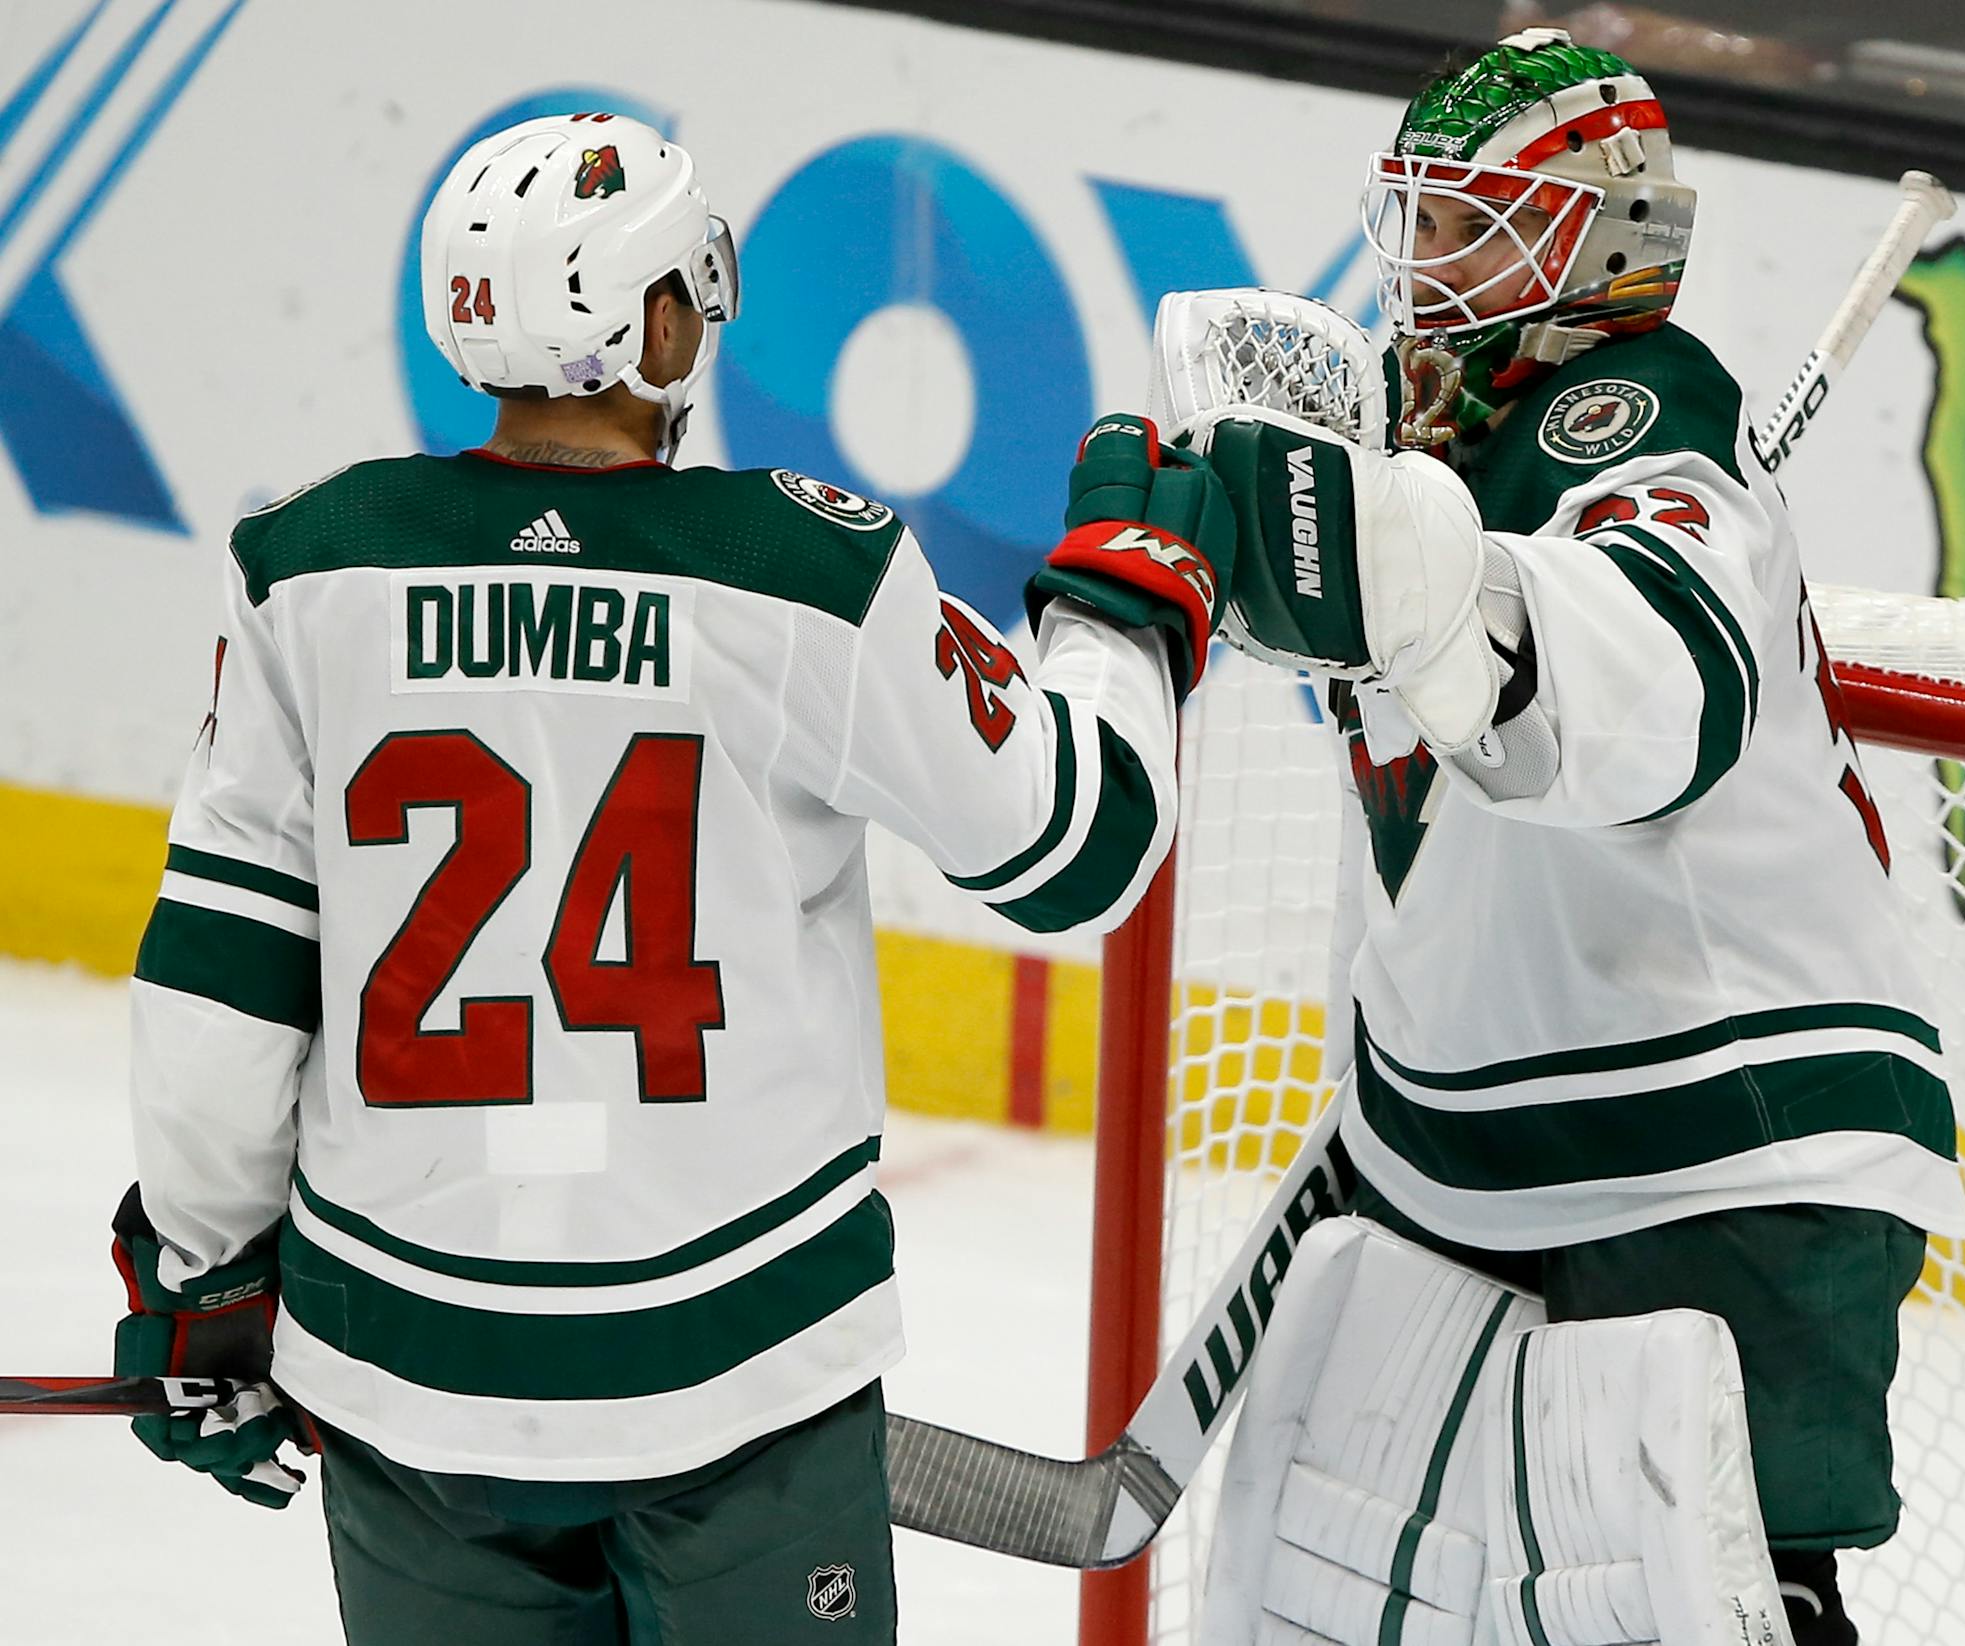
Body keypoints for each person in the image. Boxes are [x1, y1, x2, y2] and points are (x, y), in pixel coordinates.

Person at [110, 112, 1232, 1645]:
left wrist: (198, 1277)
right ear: (646, 322)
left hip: (409, 1380)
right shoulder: (803, 572)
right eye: (688, 289)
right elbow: (1077, 850)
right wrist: (1127, 595)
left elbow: (220, 983)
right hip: (744, 1380)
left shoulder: (309, 567)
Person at [1200, 29, 1965, 1645]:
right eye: (1421, 218)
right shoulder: (1436, 457)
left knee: (1700, 1600)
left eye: (1477, 223)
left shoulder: (1633, 412)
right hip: (1489, 1127)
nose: (1427, 264)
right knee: (1415, 1576)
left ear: (1603, 246)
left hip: (1733, 1125)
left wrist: (1469, 595)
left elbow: (1654, 677)